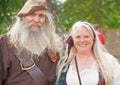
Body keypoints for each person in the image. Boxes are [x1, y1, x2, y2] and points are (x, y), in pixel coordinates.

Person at [0, 0, 62, 85]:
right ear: (22, 17)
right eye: (32, 14)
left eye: (41, 16)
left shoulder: (52, 47)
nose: (37, 20)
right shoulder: (4, 44)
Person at [55, 21, 120, 85]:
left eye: (86, 36)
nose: (82, 40)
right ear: (72, 40)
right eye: (78, 37)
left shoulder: (108, 61)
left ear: (93, 39)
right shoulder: (64, 65)